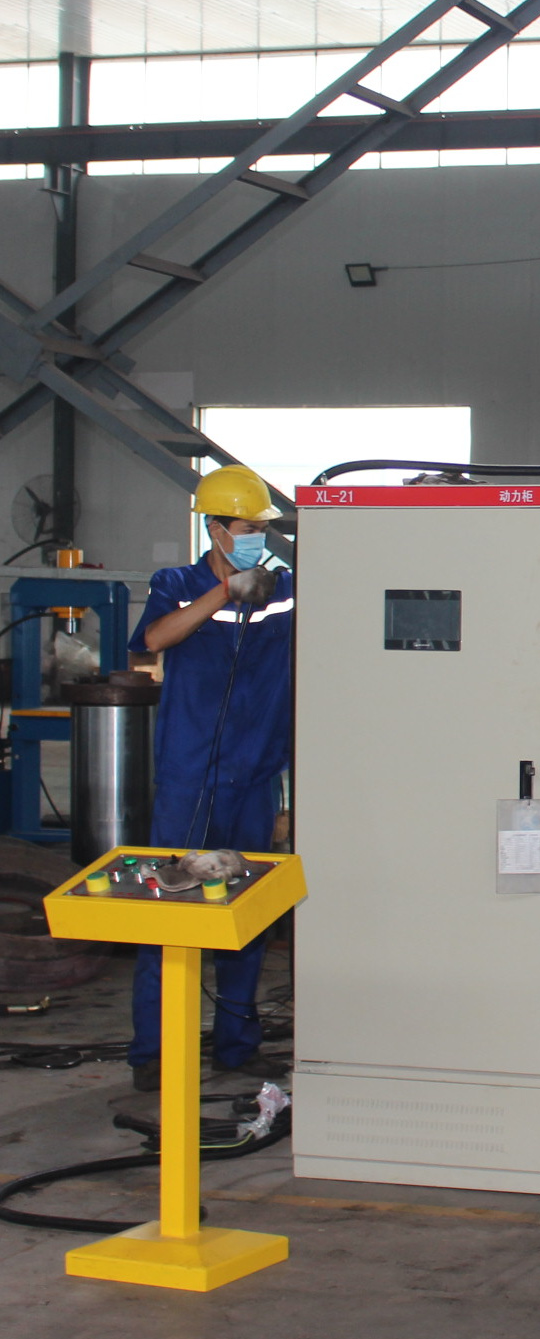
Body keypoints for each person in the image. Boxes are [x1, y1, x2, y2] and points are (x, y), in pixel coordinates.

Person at [127, 466, 295, 1092]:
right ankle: (154, 1052)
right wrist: (224, 592)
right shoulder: (175, 585)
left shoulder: (283, 591)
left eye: (261, 530)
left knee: (245, 915)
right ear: (216, 529)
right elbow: (152, 640)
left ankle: (236, 1046)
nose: (257, 540)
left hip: (257, 775)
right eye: (247, 529)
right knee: (169, 911)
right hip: (190, 776)